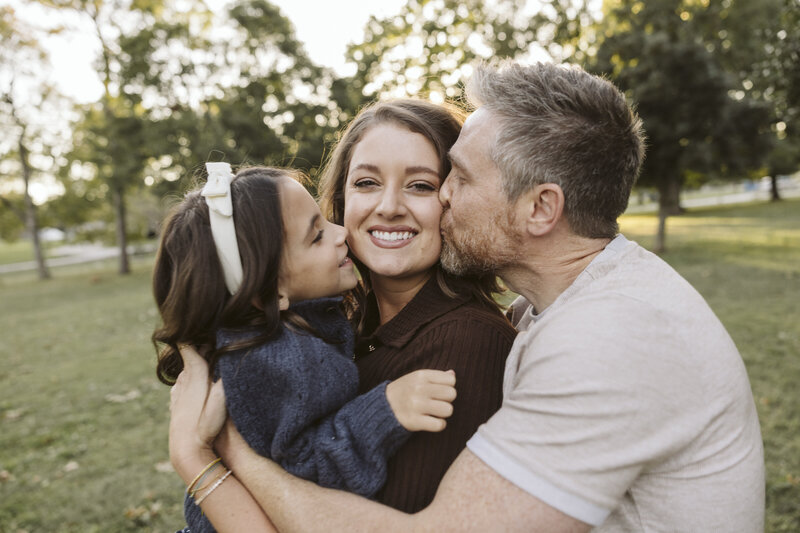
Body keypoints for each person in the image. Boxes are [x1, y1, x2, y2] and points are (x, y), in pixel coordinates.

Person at [171, 61, 765, 532]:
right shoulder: (553, 308)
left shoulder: (603, 343)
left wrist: (215, 459)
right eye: (367, 182)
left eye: (451, 178)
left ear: (540, 208)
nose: (440, 199)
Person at [153, 163, 459, 532]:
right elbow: (304, 470)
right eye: (316, 236)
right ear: (269, 292)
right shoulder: (275, 360)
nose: (340, 232)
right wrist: (384, 409)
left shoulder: (288, 331)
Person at [316, 99, 517, 512]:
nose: (388, 207)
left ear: (456, 200)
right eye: (367, 183)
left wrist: (203, 462)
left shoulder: (467, 343)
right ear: (341, 201)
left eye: (420, 185)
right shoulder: (346, 326)